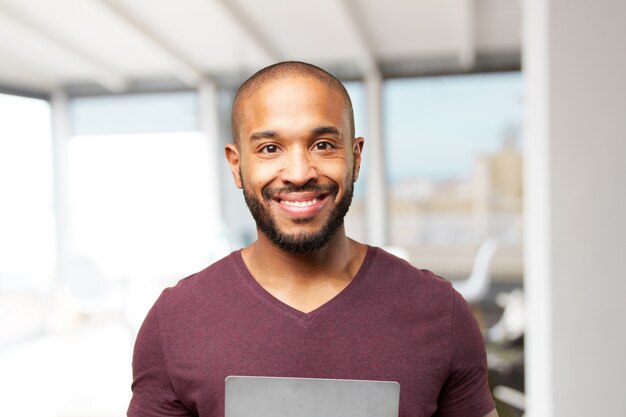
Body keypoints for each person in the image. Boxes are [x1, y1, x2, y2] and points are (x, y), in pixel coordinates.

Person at [128, 61, 498, 417]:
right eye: (270, 148)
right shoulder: (176, 320)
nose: (299, 173)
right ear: (236, 165)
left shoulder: (439, 311)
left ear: (355, 158)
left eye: (322, 144)